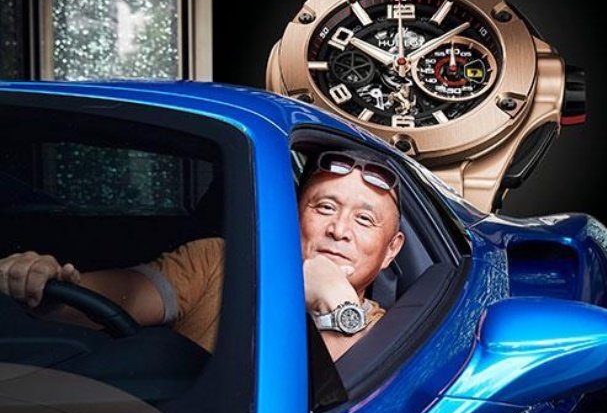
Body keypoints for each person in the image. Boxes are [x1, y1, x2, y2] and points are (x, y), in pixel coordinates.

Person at [0, 150, 404, 362]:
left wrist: (335, 301)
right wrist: (40, 282)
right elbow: (117, 298)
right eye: (324, 208)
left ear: (391, 250)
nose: (339, 230)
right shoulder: (221, 261)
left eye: (364, 220)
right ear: (291, 216)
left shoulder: (389, 333)